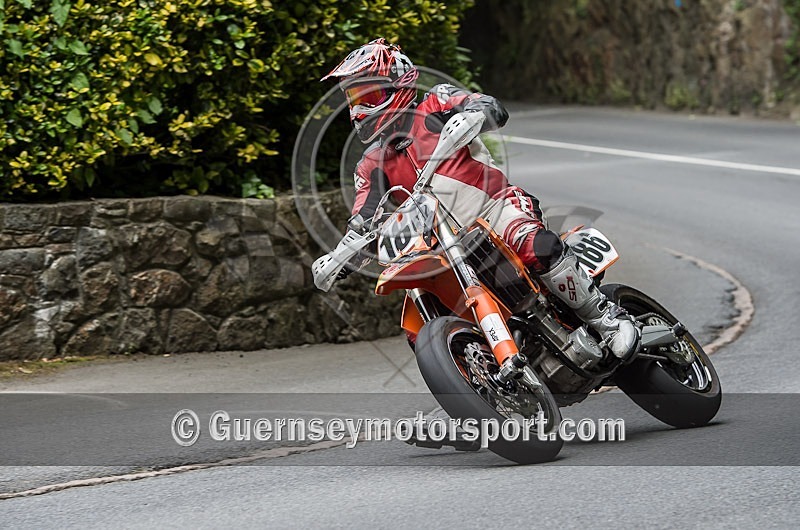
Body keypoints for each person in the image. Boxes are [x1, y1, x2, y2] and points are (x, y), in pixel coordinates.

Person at [321, 38, 637, 360]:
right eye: (353, 99)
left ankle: (607, 319)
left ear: (398, 83)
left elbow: (488, 105)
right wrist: (342, 253)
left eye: (368, 96)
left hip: (496, 209)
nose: (358, 109)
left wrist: (473, 114)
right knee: (419, 325)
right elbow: (364, 217)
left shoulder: (435, 103)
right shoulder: (371, 164)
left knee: (535, 246)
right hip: (442, 245)